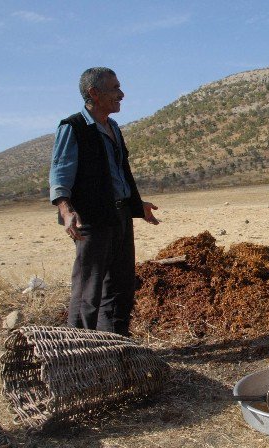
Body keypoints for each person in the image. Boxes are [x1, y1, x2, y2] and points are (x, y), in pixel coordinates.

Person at [49, 67, 159, 336]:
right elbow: (60, 172)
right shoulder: (73, 127)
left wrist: (136, 203)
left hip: (119, 216)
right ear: (94, 93)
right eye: (115, 88)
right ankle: (76, 348)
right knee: (89, 288)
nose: (121, 94)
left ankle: (114, 344)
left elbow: (119, 172)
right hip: (91, 219)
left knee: (120, 286)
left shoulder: (113, 128)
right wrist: (66, 209)